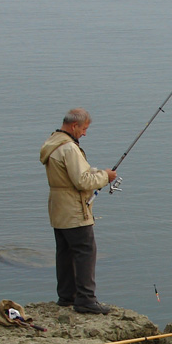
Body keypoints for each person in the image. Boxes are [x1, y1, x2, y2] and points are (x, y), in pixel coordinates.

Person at [39, 108, 117, 314]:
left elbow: (73, 173)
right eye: (84, 129)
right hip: (74, 210)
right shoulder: (69, 148)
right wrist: (105, 177)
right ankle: (86, 299)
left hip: (58, 208)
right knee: (85, 252)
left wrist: (98, 173)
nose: (84, 133)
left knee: (64, 252)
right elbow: (82, 181)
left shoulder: (53, 142)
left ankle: (66, 297)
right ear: (74, 126)